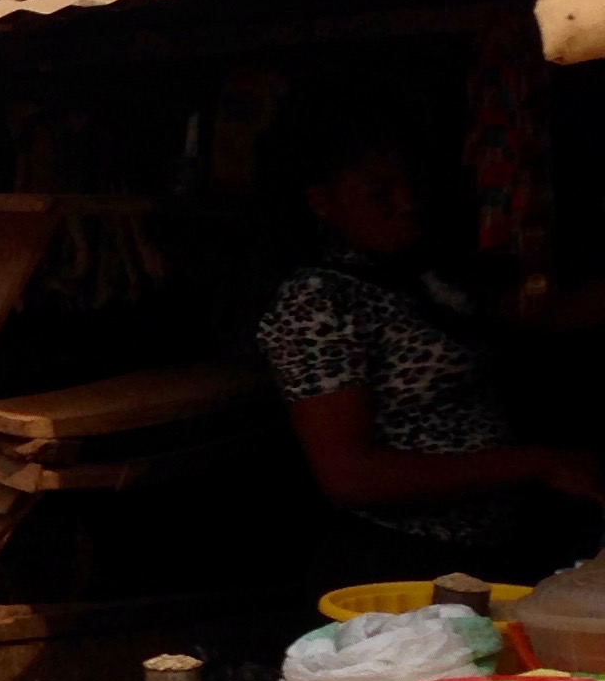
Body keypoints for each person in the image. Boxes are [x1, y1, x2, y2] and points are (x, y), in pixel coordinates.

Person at [257, 118, 604, 589]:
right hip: (399, 567)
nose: (407, 203)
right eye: (381, 192)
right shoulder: (317, 301)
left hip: (486, 554)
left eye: (411, 185)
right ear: (324, 203)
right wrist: (536, 463)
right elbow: (348, 474)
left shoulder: (422, 278)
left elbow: (538, 317)